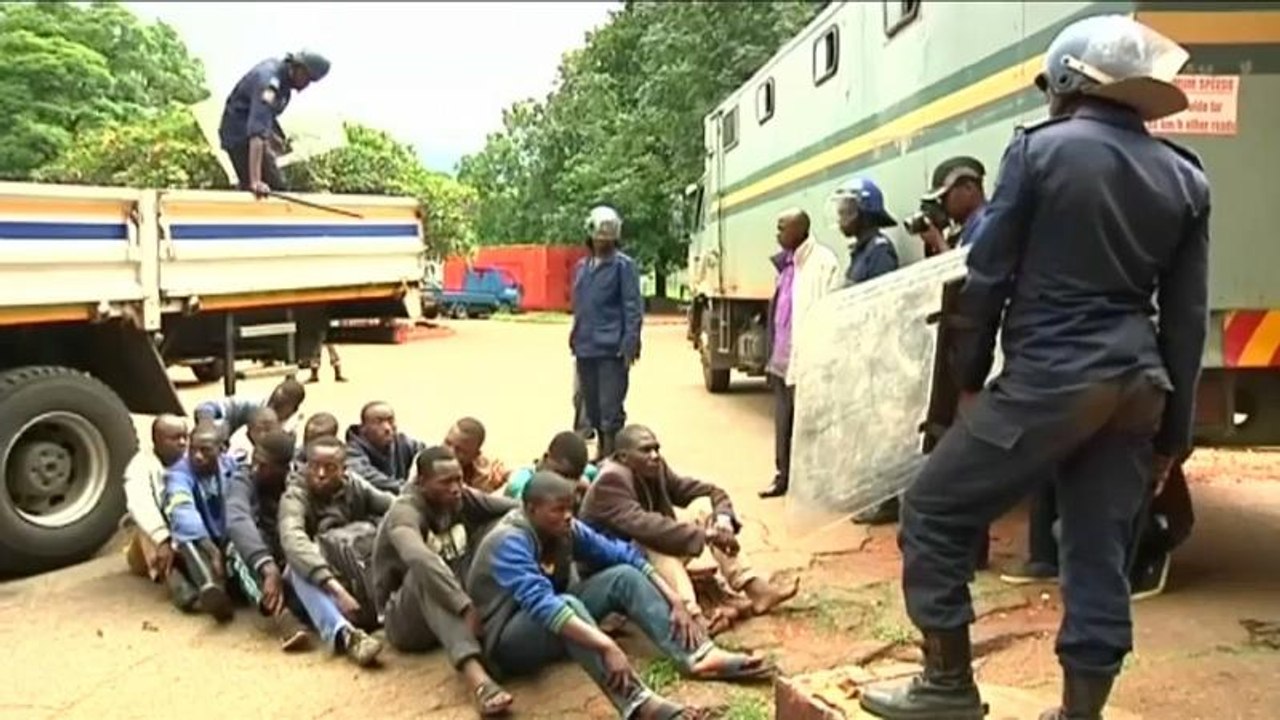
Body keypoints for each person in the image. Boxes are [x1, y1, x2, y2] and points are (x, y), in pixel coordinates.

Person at [858, 15, 1209, 720]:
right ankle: (1080, 714)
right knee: (1094, 551)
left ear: (1071, 79)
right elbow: (1185, 319)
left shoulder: (1038, 153)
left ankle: (947, 687)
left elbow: (986, 277)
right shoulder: (1185, 175)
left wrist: (965, 379)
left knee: (932, 509)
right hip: (1136, 388)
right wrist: (1173, 434)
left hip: (1053, 377)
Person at [466, 473, 774, 719]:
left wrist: (674, 598)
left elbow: (623, 555)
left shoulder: (565, 528)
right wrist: (607, 644)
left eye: (571, 508)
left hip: (558, 619)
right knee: (565, 604)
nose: (568, 516)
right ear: (531, 509)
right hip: (508, 641)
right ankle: (638, 704)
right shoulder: (508, 542)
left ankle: (697, 656)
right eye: (558, 510)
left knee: (624, 577)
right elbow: (543, 605)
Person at [582, 425, 798, 635]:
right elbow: (648, 527)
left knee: (703, 507)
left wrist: (722, 522)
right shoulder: (610, 481)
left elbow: (710, 492)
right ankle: (693, 616)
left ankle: (756, 589)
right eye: (646, 450)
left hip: (645, 558)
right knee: (653, 541)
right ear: (623, 458)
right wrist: (707, 535)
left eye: (656, 448)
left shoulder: (655, 468)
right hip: (614, 571)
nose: (655, 455)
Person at [372, 446, 520, 717]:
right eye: (445, 482)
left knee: (504, 529)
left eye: (459, 479)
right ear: (421, 483)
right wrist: (462, 604)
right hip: (405, 620)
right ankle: (479, 681)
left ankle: (506, 632)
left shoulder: (460, 497)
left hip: (456, 600)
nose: (455, 488)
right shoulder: (404, 512)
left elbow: (518, 511)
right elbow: (418, 558)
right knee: (424, 572)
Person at [279, 436, 393, 668]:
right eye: (314, 467)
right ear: (305, 466)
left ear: (343, 470)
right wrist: (336, 589)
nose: (320, 474)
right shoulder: (294, 496)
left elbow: (393, 506)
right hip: (316, 589)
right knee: (295, 566)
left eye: (329, 468)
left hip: (355, 573)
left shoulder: (354, 485)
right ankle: (345, 635)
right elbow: (293, 540)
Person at [758, 208, 841, 499]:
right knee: (783, 424)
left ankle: (813, 484)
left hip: (807, 359)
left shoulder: (823, 263)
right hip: (782, 358)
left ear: (800, 229)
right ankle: (783, 478)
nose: (778, 234)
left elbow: (828, 312)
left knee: (809, 424)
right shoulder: (787, 265)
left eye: (782, 228)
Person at [225, 429, 312, 651]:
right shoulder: (242, 479)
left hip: (289, 551)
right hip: (258, 554)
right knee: (235, 549)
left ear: (284, 467)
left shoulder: (301, 480)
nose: (256, 468)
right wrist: (266, 565)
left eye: (264, 465)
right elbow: (237, 517)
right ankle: (281, 617)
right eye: (255, 460)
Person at [570, 206, 644, 461]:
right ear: (590, 235)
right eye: (599, 237)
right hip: (585, 346)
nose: (603, 242)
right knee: (590, 404)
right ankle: (602, 450)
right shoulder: (582, 267)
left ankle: (613, 456)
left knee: (610, 408)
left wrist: (630, 343)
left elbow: (632, 307)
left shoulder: (623, 266)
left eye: (608, 238)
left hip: (612, 349)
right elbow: (581, 306)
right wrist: (574, 335)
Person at [218, 50, 330, 196]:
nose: (306, 85)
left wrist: (273, 137)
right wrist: (256, 181)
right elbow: (257, 131)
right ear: (299, 69)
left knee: (276, 184)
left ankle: (248, 185)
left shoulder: (284, 83)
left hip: (250, 132)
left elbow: (267, 117)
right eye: (307, 79)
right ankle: (248, 185)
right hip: (238, 136)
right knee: (273, 189)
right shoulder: (269, 83)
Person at [163, 423, 241, 622]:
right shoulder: (178, 474)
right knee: (188, 543)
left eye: (205, 451)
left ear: (221, 450)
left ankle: (218, 593)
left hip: (225, 535)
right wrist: (213, 551)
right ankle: (211, 588)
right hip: (199, 539)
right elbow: (183, 512)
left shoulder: (232, 468)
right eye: (193, 449)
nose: (197, 456)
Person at [122, 415, 189, 594]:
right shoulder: (139, 467)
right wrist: (163, 539)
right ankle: (174, 579)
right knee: (148, 532)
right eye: (175, 438)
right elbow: (141, 505)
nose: (182, 442)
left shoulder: (191, 456)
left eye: (185, 436)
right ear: (156, 441)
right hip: (155, 534)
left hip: (183, 524)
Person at [193, 377, 305, 445]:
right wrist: (206, 427)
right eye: (271, 403)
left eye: (278, 408)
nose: (270, 410)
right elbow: (205, 407)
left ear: (293, 410)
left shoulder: (294, 432)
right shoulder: (251, 404)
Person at [345, 401, 426, 492]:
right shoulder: (351, 451)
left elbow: (427, 456)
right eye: (378, 422)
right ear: (363, 428)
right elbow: (367, 477)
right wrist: (407, 489)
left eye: (391, 421)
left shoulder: (403, 442)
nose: (387, 428)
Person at [834, 176, 899, 286]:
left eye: (847, 212)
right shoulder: (861, 251)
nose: (841, 220)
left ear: (865, 212)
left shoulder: (879, 252)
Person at [505, 431, 600, 504]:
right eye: (560, 475)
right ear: (546, 458)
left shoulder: (586, 473)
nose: (564, 483)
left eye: (573, 478)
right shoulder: (521, 482)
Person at [919, 156, 988, 257]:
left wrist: (938, 243)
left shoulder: (987, 224)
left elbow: (972, 270)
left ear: (968, 188)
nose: (942, 204)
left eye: (945, 197)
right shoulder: (967, 228)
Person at [444, 417, 510, 494]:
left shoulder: (485, 477)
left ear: (475, 455)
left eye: (460, 450)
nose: (450, 452)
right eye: (447, 443)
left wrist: (503, 483)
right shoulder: (429, 461)